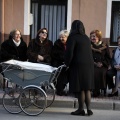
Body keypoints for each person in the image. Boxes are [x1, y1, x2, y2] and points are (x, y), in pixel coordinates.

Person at [65, 20, 94, 116]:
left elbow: (70, 53)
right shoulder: (86, 37)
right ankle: (89, 109)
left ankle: (81, 109)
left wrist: (67, 64)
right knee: (87, 88)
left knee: (81, 88)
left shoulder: (72, 37)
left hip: (78, 65)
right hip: (89, 65)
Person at [90, 30, 111, 97]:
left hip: (102, 65)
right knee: (92, 72)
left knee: (101, 72)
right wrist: (94, 63)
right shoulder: (89, 45)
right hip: (92, 64)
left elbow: (108, 57)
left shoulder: (104, 46)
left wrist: (102, 63)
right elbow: (87, 56)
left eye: (94, 36)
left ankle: (98, 89)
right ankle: (93, 90)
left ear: (98, 37)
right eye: (91, 36)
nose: (92, 38)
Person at [51, 30, 69, 96]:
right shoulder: (57, 43)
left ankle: (63, 89)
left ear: (67, 37)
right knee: (61, 73)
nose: (61, 39)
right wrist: (63, 59)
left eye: (63, 37)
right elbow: (54, 54)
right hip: (58, 62)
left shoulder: (70, 44)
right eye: (60, 37)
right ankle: (60, 90)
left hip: (67, 63)